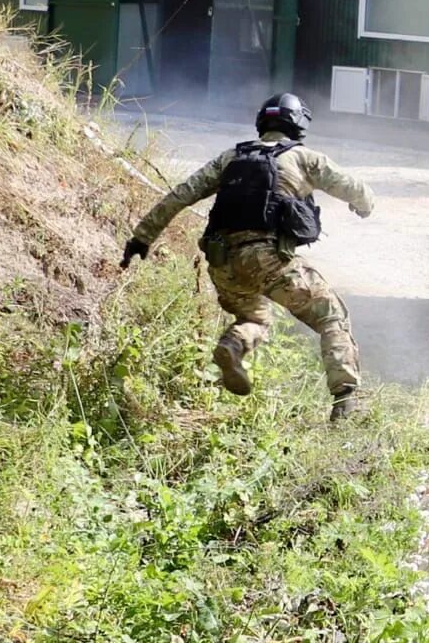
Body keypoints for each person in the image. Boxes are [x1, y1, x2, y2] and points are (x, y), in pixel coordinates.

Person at [123, 92, 375, 422]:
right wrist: (364, 205)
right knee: (331, 314)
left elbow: (181, 194)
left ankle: (234, 344)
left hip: (223, 264)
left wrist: (142, 238)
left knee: (256, 318)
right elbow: (356, 189)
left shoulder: (231, 157)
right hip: (266, 258)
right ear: (298, 123)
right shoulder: (304, 158)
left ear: (262, 122)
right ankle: (346, 401)